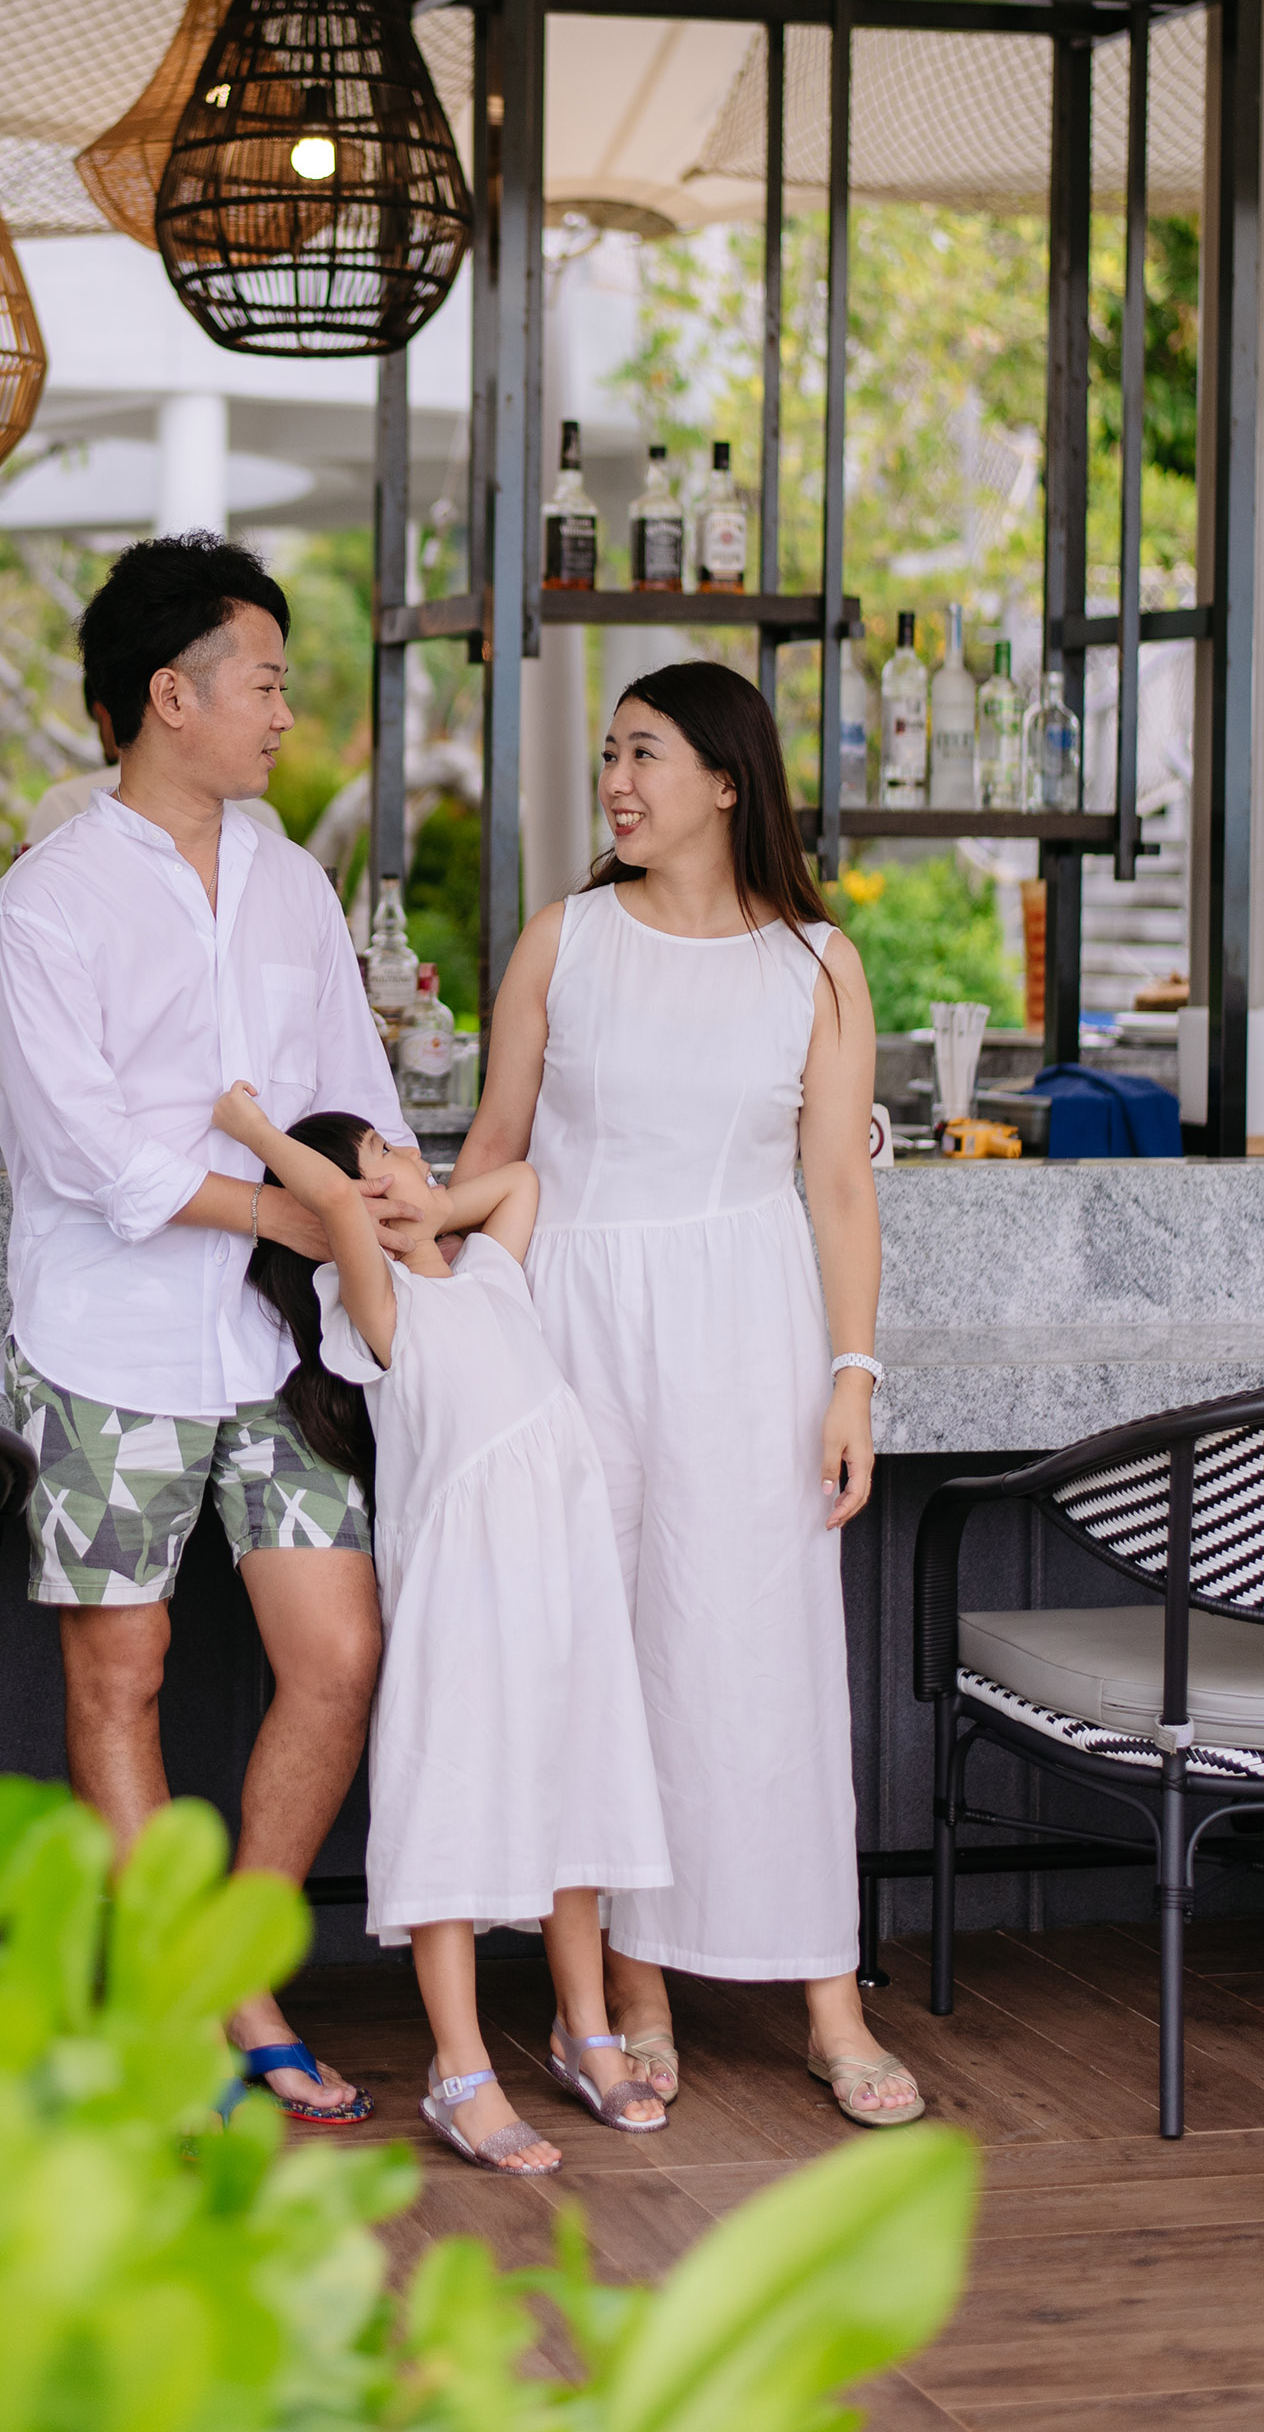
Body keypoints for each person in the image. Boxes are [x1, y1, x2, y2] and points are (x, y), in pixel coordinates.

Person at [0, 531, 409, 2124]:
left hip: (283, 1342)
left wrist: (406, 1195)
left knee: (340, 1654)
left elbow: (354, 1088)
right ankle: (211, 2011)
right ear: (172, 695)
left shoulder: (294, 885)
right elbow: (91, 1153)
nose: (288, 714)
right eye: (267, 684)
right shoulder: (44, 906)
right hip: (109, 1341)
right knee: (125, 1673)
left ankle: (226, 1976)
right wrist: (282, 1214)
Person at [450, 661, 924, 2131]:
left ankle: (829, 1999)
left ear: (726, 779)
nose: (615, 781)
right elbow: (495, 1147)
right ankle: (633, 1985)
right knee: (602, 1659)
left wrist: (853, 1376)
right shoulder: (563, 939)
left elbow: (838, 1189)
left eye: (643, 753)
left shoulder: (815, 964)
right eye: (608, 753)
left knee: (759, 1654)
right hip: (572, 1323)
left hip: (748, 1331)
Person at [215, 1080, 672, 2171]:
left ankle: (586, 2031)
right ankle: (460, 2070)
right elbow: (335, 1202)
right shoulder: (373, 1314)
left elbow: (518, 1182)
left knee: (573, 1796)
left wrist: (429, 1204)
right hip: (462, 1602)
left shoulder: (489, 1279)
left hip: (560, 1587)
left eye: (395, 1145)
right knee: (455, 1811)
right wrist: (257, 1133)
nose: (399, 1159)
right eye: (373, 1154)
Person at [29, 679, 287, 842]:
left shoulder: (64, 804)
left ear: (106, 712)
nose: (285, 720)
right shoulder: (261, 818)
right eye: (266, 689)